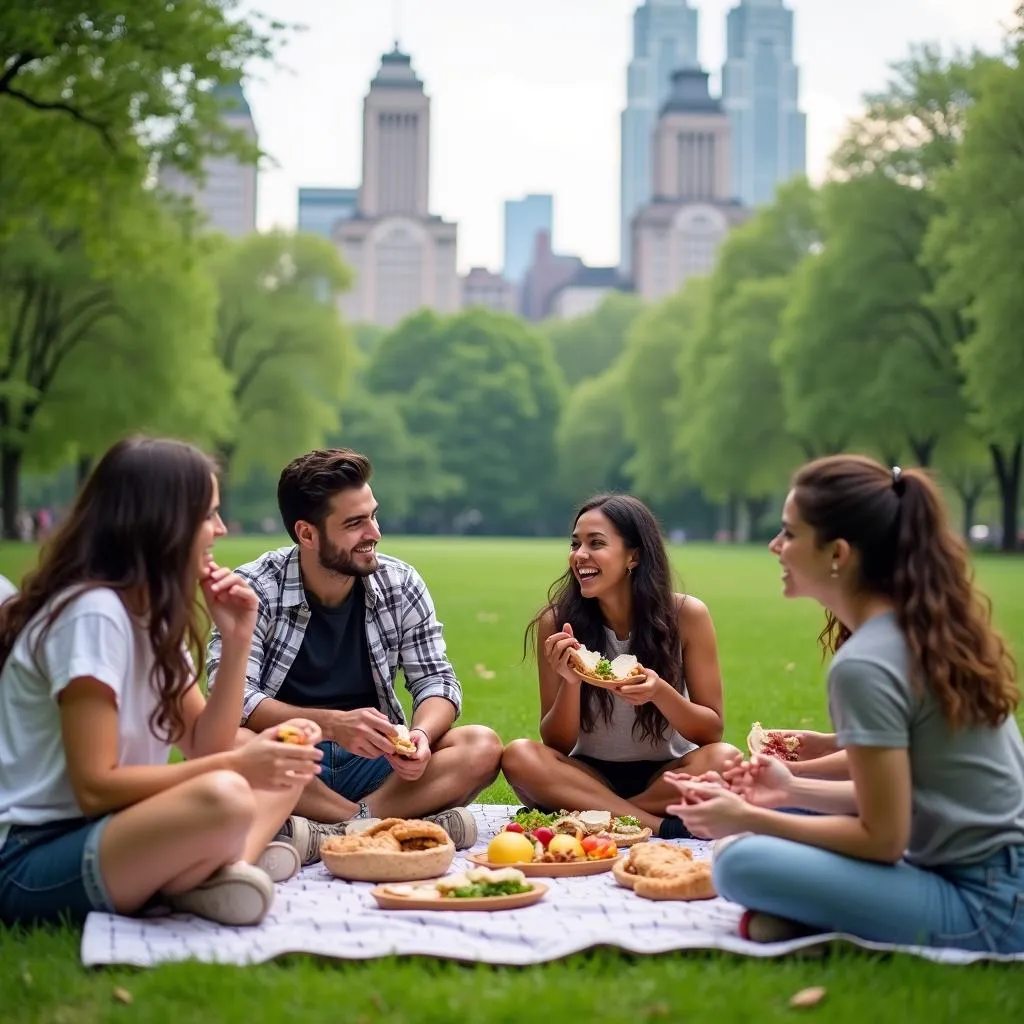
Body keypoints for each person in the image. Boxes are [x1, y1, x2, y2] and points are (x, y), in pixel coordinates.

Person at [667, 456, 1024, 953]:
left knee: (738, 862)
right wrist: (789, 787)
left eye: (789, 534)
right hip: (986, 873)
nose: (775, 546)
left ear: (838, 553)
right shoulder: (919, 628)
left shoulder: (866, 663)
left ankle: (815, 913)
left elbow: (883, 838)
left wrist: (748, 819)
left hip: (988, 904)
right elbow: (903, 791)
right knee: (776, 809)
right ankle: (822, 910)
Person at [0, 437, 323, 929]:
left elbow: (204, 744)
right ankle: (216, 871)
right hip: (31, 859)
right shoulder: (95, 613)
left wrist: (238, 639)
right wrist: (240, 764)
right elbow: (94, 786)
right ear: (161, 522)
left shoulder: (147, 618)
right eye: (208, 514)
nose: (220, 528)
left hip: (110, 833)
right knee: (228, 792)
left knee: (284, 763)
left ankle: (213, 874)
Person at [208, 448, 503, 864]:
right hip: (291, 759)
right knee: (229, 745)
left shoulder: (400, 583)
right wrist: (331, 725)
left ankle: (329, 831)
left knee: (481, 746)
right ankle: (373, 825)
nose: (374, 532)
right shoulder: (255, 589)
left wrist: (420, 736)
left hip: (377, 764)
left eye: (372, 515)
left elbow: (436, 681)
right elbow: (236, 698)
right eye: (354, 523)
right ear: (307, 534)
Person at [502, 494, 740, 839]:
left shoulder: (687, 616)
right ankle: (656, 825)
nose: (579, 555)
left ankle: (602, 815)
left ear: (634, 555)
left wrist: (659, 692)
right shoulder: (557, 622)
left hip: (667, 774)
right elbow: (556, 743)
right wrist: (571, 682)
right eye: (575, 543)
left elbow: (710, 733)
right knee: (519, 756)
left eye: (596, 543)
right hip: (588, 773)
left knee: (727, 759)